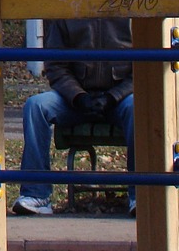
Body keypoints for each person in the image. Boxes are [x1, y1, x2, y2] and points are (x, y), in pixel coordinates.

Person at [12, 17, 135, 217]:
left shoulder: (132, 13)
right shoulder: (67, 11)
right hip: (76, 99)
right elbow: (56, 65)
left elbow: (143, 68)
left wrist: (114, 96)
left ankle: (139, 194)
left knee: (137, 108)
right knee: (36, 106)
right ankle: (36, 193)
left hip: (120, 99)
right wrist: (78, 97)